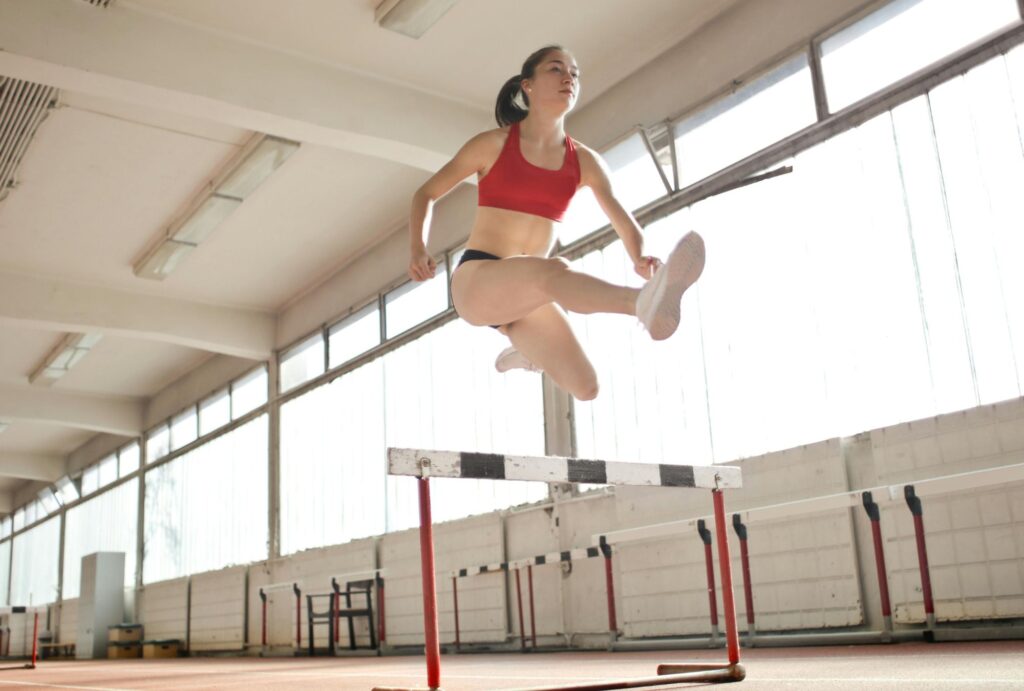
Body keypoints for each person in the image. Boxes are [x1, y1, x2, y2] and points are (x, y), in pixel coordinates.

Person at [408, 45, 704, 401]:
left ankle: (529, 354)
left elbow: (623, 222)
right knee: (553, 271)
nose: (568, 78)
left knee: (586, 387)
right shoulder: (493, 145)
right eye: (555, 69)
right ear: (527, 86)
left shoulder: (586, 163)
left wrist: (640, 257)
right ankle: (641, 302)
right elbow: (425, 193)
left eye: (575, 73)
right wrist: (418, 249)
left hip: (527, 297)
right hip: (478, 280)